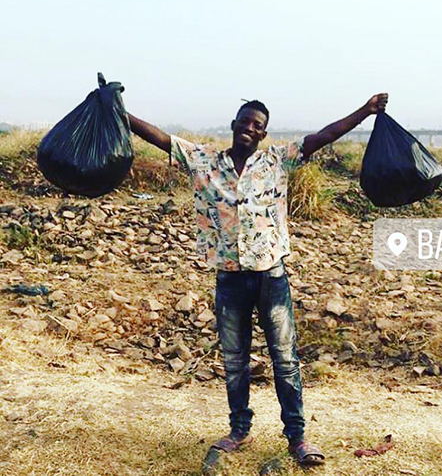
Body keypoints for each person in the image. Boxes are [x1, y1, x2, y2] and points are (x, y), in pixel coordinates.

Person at [127, 93, 388, 471]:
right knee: (234, 361)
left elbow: (325, 135)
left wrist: (365, 111)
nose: (250, 128)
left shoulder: (277, 161)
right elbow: (160, 138)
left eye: (257, 126)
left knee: (285, 360)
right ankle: (238, 430)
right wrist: (119, 111)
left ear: (264, 135)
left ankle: (297, 437)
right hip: (230, 279)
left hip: (271, 277)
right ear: (234, 124)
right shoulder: (204, 162)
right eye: (245, 121)